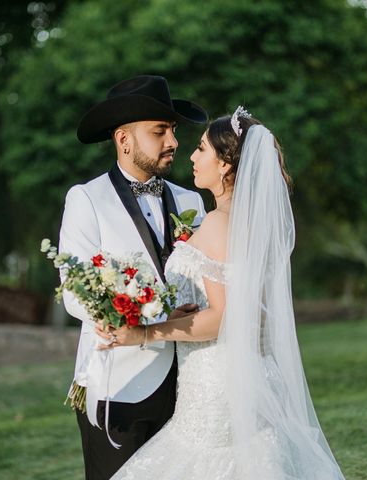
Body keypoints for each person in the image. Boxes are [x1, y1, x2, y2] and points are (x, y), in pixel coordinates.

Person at [96, 108, 346, 479]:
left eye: (201, 149)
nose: (191, 156)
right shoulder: (249, 226)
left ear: (226, 164)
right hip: (252, 374)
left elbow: (224, 317)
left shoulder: (217, 223)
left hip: (220, 383)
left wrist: (146, 332)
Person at [59, 74, 208, 479]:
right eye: (160, 131)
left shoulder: (192, 201)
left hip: (191, 383)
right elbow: (75, 292)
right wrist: (149, 314)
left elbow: (207, 283)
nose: (174, 142)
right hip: (119, 385)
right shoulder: (86, 200)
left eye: (173, 131)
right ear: (124, 139)